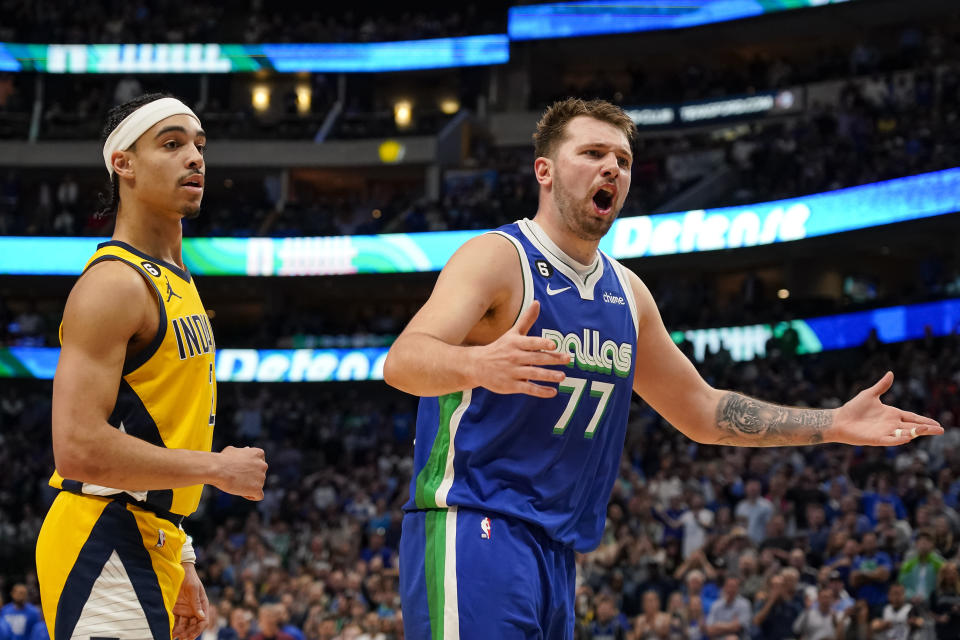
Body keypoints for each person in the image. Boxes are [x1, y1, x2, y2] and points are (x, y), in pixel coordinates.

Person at [382, 97, 942, 639]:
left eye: (623, 161)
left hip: (557, 550)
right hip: (474, 523)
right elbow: (403, 361)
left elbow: (703, 411)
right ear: (544, 171)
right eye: (593, 153)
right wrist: (478, 363)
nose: (612, 168)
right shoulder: (498, 257)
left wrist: (834, 424)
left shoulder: (628, 294)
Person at [34, 93, 268, 640]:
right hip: (101, 542)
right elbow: (78, 447)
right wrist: (214, 468)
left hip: (150, 538)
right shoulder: (114, 284)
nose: (195, 157)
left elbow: (158, 426)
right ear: (124, 164)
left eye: (199, 145)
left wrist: (182, 553)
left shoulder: (177, 280)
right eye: (172, 144)